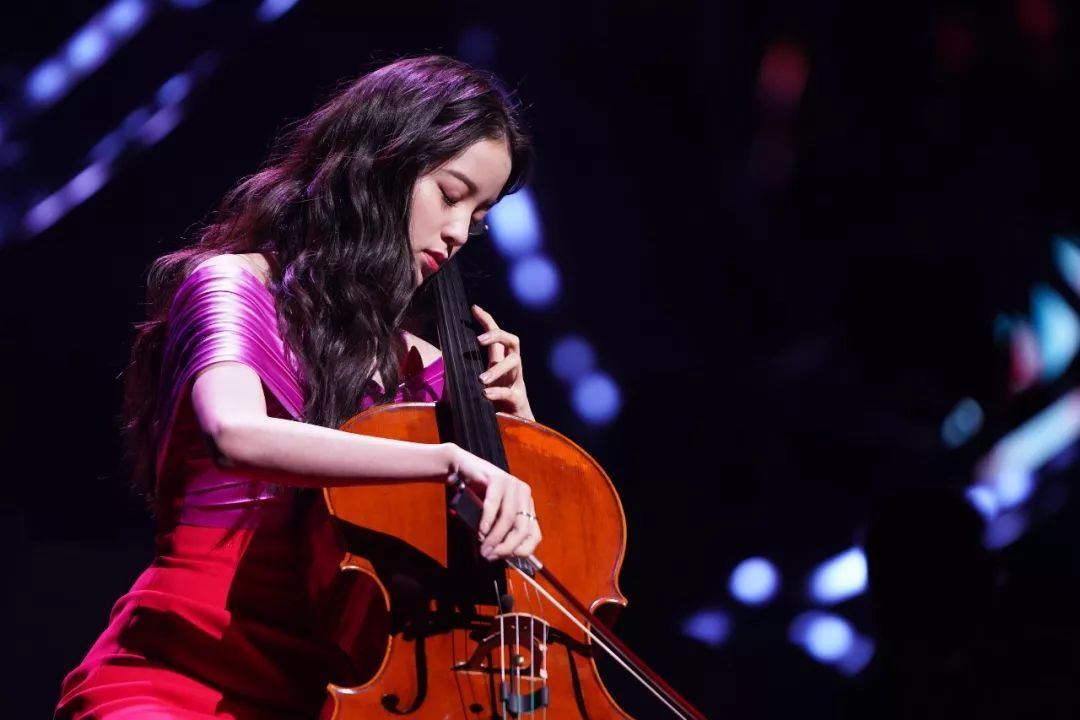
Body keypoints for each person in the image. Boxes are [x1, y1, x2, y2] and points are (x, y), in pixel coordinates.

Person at [55, 54, 542, 720]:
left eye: (478, 216)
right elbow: (235, 434)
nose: (459, 233)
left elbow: (507, 569)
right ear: (378, 164)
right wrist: (447, 458)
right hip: (179, 676)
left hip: (334, 696)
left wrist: (519, 434)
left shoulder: (426, 367)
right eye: (450, 194)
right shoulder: (233, 286)